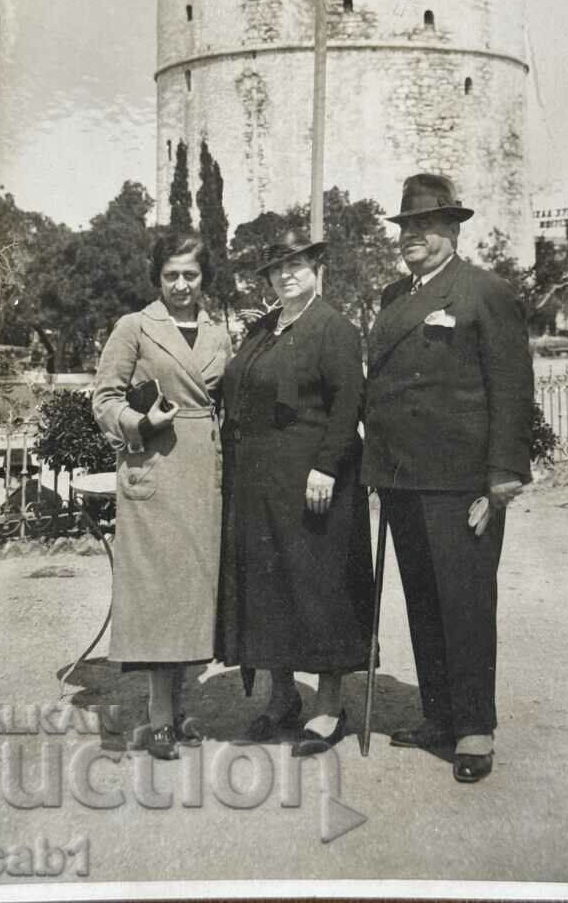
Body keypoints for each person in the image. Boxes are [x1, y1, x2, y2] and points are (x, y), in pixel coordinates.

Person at [362, 173, 534, 783]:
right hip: (405, 480)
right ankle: (438, 713)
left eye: (426, 226)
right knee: (425, 603)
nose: (413, 236)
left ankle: (473, 727)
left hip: (464, 482)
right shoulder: (391, 298)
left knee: (466, 603)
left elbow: (513, 389)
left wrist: (503, 476)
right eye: (406, 226)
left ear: (452, 230)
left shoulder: (484, 291)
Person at [217, 228, 373, 756]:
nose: (285, 275)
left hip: (314, 483)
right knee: (270, 587)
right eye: (275, 269)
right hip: (260, 482)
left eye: (296, 265)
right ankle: (281, 696)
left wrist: (327, 467)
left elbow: (348, 404)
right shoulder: (262, 328)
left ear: (316, 268)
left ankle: (330, 706)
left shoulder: (335, 329)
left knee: (318, 588)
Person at [92, 231, 232, 760]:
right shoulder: (135, 327)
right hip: (152, 469)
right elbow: (103, 399)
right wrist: (139, 421)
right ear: (157, 277)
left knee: (191, 593)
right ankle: (158, 718)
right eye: (171, 274)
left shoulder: (220, 333)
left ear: (204, 280)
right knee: (157, 595)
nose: (180, 284)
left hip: (200, 474)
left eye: (190, 275)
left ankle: (177, 710)